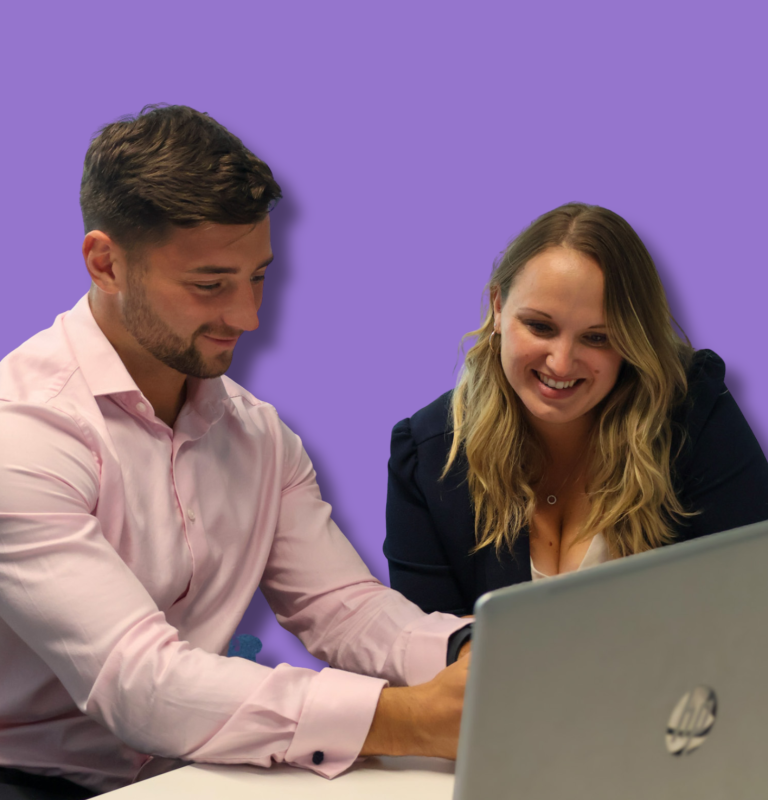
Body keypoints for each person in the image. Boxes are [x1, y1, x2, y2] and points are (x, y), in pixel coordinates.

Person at [0, 105, 471, 799]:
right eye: (209, 284)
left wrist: (474, 653)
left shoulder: (258, 434)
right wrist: (402, 718)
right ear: (106, 263)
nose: (248, 317)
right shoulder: (22, 435)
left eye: (258, 277)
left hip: (186, 774)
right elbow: (138, 682)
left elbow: (342, 606)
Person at [385, 203, 768, 616]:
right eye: (540, 326)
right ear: (498, 307)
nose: (562, 363)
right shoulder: (426, 456)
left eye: (598, 338)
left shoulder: (692, 414)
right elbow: (424, 649)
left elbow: (755, 600)